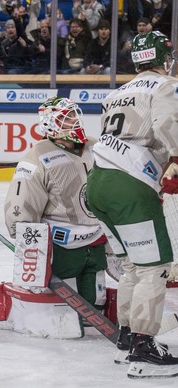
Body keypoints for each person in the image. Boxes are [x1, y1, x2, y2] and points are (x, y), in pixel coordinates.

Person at [86, 31, 178, 378]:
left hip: (98, 181)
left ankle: (125, 339)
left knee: (132, 267)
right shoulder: (164, 86)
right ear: (162, 58)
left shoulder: (116, 93)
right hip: (130, 185)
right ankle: (144, 350)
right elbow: (167, 124)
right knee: (153, 268)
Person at [4, 96, 108, 313]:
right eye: (67, 118)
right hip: (63, 244)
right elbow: (22, 201)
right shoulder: (37, 158)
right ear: (51, 124)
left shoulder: (95, 147)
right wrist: (23, 233)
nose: (75, 121)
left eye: (74, 115)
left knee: (97, 297)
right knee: (66, 303)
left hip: (97, 237)